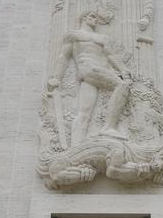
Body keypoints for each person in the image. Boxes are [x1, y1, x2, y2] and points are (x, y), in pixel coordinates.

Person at [49, 9, 131, 146]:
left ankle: (75, 147)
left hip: (94, 73)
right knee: (121, 85)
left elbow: (111, 56)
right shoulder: (74, 35)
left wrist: (123, 69)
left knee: (84, 112)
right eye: (92, 16)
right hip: (88, 68)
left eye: (96, 18)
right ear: (84, 18)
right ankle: (109, 127)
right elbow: (63, 56)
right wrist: (56, 77)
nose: (95, 20)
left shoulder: (102, 38)